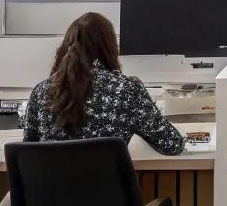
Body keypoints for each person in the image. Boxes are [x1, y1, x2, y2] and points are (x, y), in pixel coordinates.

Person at [21, 11, 185, 155]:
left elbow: (27, 151)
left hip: (47, 190)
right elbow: (172, 144)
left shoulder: (42, 91)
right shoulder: (126, 90)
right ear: (110, 47)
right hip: (107, 190)